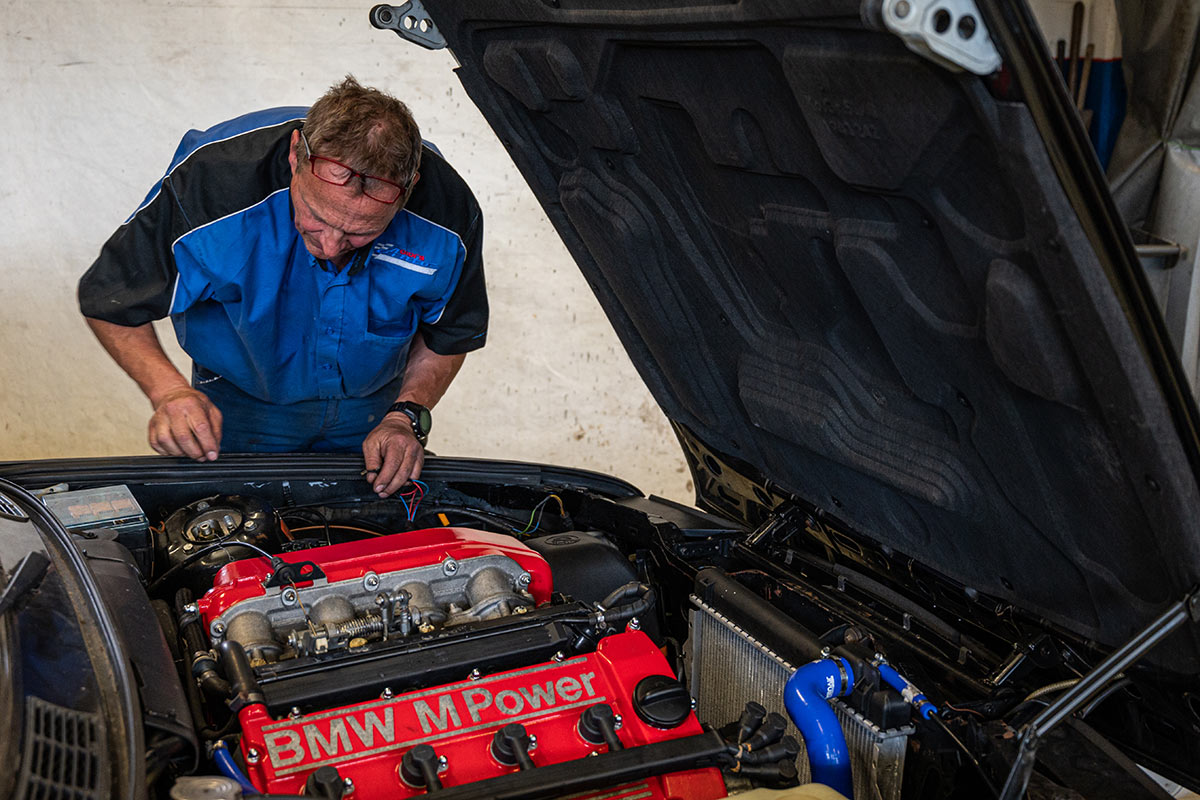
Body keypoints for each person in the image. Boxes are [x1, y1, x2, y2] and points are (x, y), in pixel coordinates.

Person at [78, 76, 487, 498]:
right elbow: (110, 301)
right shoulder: (211, 185)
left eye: (360, 233)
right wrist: (169, 392)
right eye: (316, 215)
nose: (330, 247)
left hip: (374, 413)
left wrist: (405, 416)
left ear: (408, 188)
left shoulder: (447, 212)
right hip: (240, 409)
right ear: (296, 155)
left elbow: (451, 332)